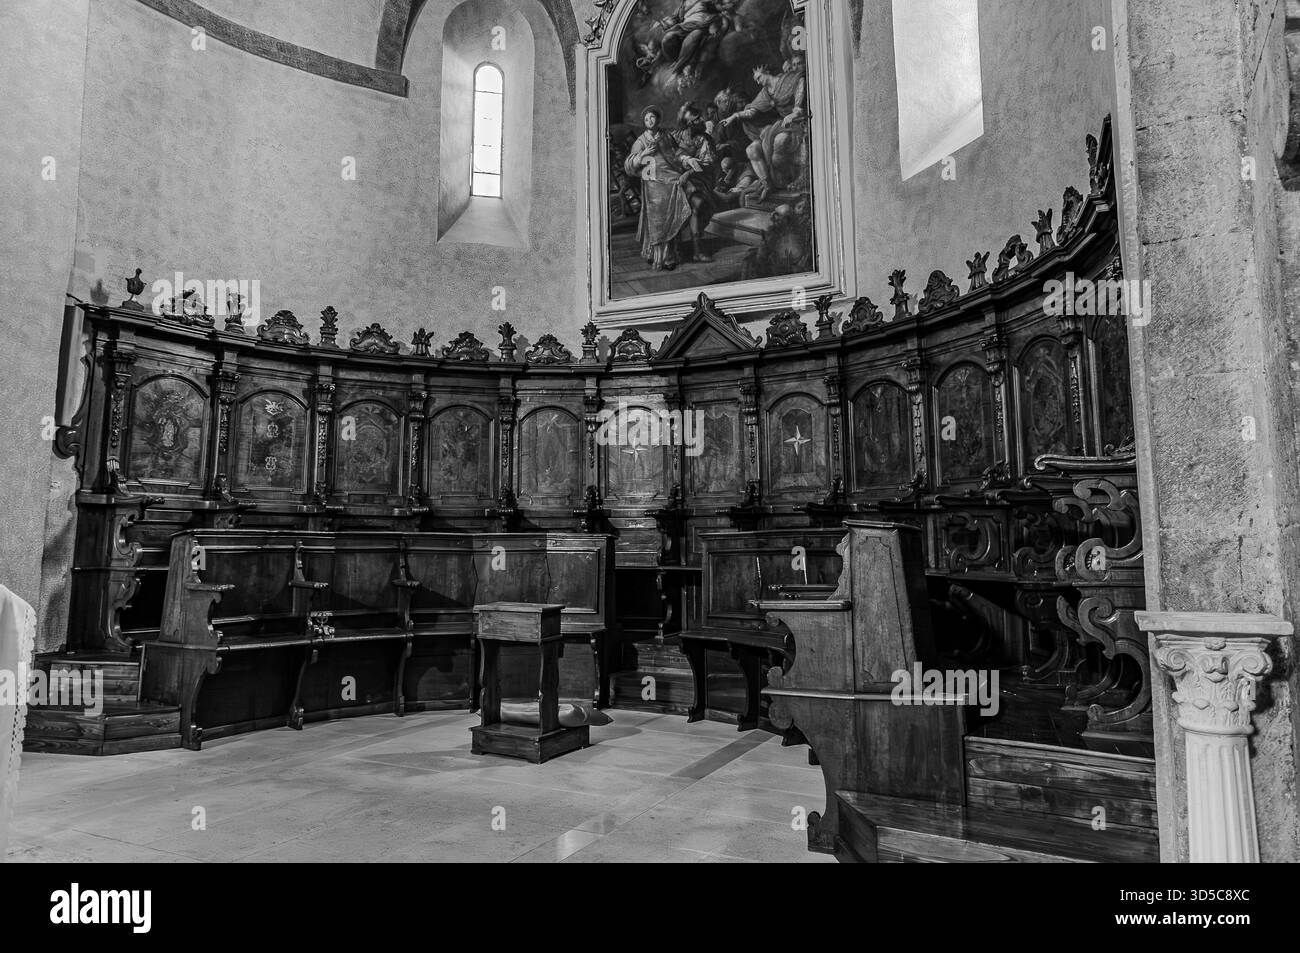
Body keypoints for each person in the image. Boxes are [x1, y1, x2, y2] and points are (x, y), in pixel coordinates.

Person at [624, 104, 717, 270]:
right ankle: (661, 255)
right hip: (654, 182)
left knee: (684, 208)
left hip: (675, 177)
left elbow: (677, 155)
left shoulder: (669, 136)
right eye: (646, 119)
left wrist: (687, 163)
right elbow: (629, 165)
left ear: (658, 119)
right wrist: (643, 154)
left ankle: (679, 252)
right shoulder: (642, 141)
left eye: (652, 117)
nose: (649, 121)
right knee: (660, 215)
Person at [720, 56, 810, 200]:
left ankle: (786, 179)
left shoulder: (786, 78)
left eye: (759, 77)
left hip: (798, 120)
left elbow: (801, 80)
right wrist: (735, 116)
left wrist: (797, 109)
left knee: (779, 144)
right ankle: (767, 185)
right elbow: (752, 111)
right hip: (782, 125)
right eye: (755, 80)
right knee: (751, 149)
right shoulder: (766, 92)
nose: (757, 81)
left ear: (766, 72)